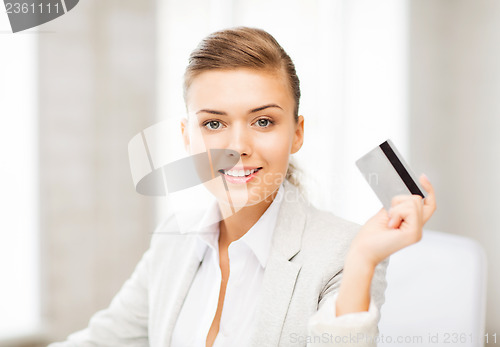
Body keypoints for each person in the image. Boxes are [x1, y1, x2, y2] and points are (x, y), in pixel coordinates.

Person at [48, 27, 436, 347]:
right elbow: (102, 340)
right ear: (187, 137)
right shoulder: (173, 238)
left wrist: (363, 259)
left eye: (263, 121)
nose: (238, 148)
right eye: (214, 124)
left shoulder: (344, 253)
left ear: (297, 133)